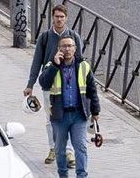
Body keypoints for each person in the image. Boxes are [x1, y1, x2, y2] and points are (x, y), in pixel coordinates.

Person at [26, 4, 85, 165]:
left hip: (70, 85)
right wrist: (30, 84)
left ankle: (69, 153)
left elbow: (80, 61)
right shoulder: (45, 38)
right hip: (49, 85)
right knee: (51, 119)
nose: (59, 19)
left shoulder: (74, 37)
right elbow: (36, 61)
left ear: (66, 18)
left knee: (71, 118)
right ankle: (53, 148)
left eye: (62, 17)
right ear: (53, 17)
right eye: (56, 16)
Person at [39, 36, 100, 178]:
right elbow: (44, 83)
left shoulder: (84, 66)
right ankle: (63, 174)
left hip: (79, 115)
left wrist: (95, 110)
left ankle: (82, 175)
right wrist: (55, 65)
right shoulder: (51, 65)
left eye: (70, 46)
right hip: (59, 115)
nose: (67, 49)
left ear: (75, 49)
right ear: (59, 49)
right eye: (64, 46)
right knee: (60, 150)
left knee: (81, 147)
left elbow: (92, 89)